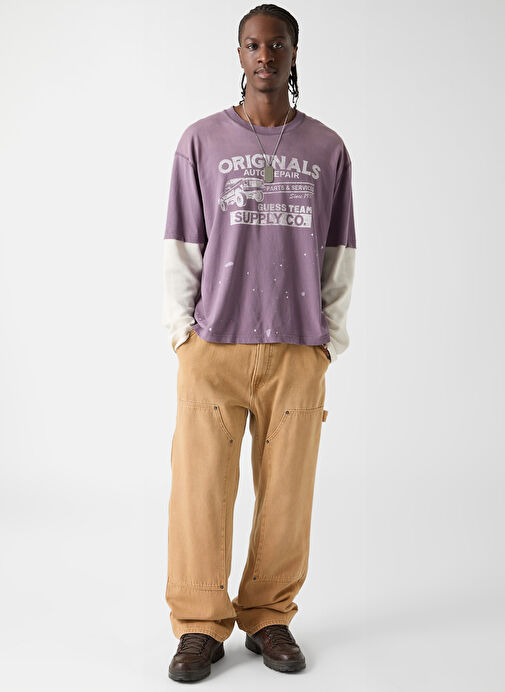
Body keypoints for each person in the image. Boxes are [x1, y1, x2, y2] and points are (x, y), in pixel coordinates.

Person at [162, 4, 356, 683]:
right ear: (239, 53)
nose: (264, 55)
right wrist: (182, 335)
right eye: (252, 44)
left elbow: (338, 249)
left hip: (297, 347)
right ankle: (198, 625)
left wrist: (328, 340)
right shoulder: (201, 141)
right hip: (213, 345)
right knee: (199, 492)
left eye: (276, 44)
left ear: (294, 53)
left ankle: (269, 616)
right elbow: (182, 239)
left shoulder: (326, 148)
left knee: (287, 495)